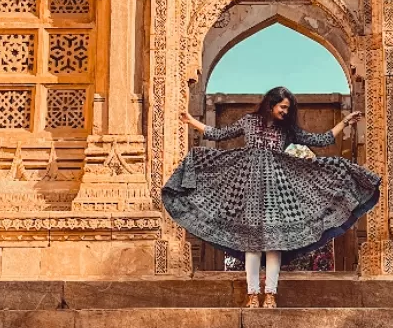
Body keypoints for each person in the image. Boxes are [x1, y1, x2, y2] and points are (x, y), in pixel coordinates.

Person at [162, 86, 381, 307]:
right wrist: (191, 121)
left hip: (278, 191)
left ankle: (270, 294)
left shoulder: (287, 130)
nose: (285, 112)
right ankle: (252, 294)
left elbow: (320, 140)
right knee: (252, 244)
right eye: (283, 107)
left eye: (288, 109)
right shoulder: (249, 121)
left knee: (274, 243)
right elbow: (219, 134)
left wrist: (344, 123)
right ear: (271, 104)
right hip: (248, 190)